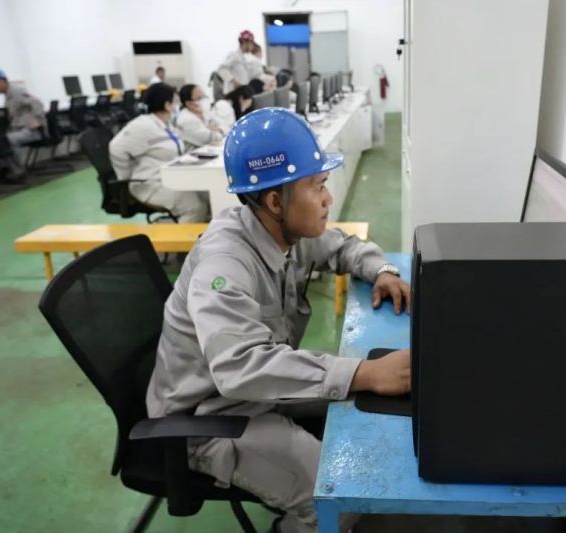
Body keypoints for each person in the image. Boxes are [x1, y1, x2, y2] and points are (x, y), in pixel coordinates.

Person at [146, 108, 411, 533]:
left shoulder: (279, 230)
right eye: (317, 186)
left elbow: (340, 246)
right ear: (275, 201)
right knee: (340, 496)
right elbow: (239, 368)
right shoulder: (225, 265)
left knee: (365, 406)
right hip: (207, 420)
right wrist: (365, 372)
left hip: (256, 393)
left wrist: (382, 270)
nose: (328, 199)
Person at [109, 83, 209, 222]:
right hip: (148, 183)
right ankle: (184, 236)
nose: (178, 106)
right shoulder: (142, 125)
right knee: (195, 207)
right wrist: (125, 176)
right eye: (175, 102)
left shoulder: (166, 124)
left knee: (208, 195)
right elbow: (116, 147)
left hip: (168, 178)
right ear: (167, 105)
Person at [0, 67, 46, 180]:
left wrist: (37, 120)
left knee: (6, 141)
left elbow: (37, 103)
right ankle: (6, 169)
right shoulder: (8, 95)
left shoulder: (16, 91)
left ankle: (18, 172)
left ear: (1, 80)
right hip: (20, 129)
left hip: (32, 131)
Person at [173, 84, 222, 151]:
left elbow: (224, 128)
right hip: (193, 155)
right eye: (199, 98)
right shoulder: (185, 119)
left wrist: (217, 130)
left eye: (204, 97)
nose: (204, 100)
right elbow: (211, 138)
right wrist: (217, 130)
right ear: (189, 103)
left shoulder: (205, 114)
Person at [217, 30, 255, 96]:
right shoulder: (234, 55)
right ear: (244, 42)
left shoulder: (244, 58)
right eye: (251, 43)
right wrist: (233, 81)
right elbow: (221, 69)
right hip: (233, 93)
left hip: (242, 92)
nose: (252, 46)